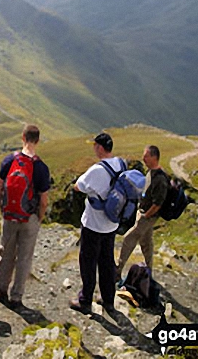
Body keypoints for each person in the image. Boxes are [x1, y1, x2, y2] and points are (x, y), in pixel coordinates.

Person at [0, 124, 50, 309]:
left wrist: (4, 208)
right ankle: (16, 297)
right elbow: (43, 200)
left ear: (23, 137)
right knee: (24, 257)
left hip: (10, 215)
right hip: (29, 218)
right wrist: (39, 217)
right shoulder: (41, 167)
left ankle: (0, 290)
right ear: (38, 141)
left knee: (6, 253)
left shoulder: (9, 160)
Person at [70, 132, 122, 314]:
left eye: (94, 146)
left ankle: (85, 300)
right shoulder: (120, 164)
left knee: (88, 262)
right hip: (112, 224)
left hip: (93, 224)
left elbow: (78, 186)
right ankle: (108, 299)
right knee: (107, 261)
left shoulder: (97, 170)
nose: (93, 148)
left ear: (100, 147)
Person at [115, 145, 169, 281]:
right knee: (146, 243)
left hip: (148, 216)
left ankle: (117, 270)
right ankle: (149, 272)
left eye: (146, 156)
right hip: (143, 213)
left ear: (154, 157)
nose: (143, 158)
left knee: (129, 239)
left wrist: (146, 216)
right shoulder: (151, 172)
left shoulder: (160, 179)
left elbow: (158, 203)